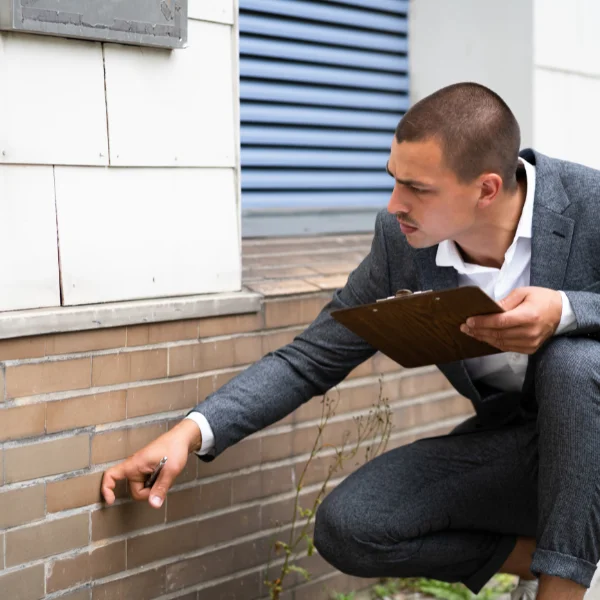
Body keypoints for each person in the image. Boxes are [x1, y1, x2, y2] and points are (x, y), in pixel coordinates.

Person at [101, 82, 600, 600]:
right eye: (393, 180)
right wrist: (188, 433)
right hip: (524, 448)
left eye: (418, 189)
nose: (394, 204)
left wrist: (568, 311)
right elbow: (310, 359)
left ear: (487, 189)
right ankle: (556, 557)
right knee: (352, 526)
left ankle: (562, 587)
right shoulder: (402, 245)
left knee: (573, 359)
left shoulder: (590, 204)